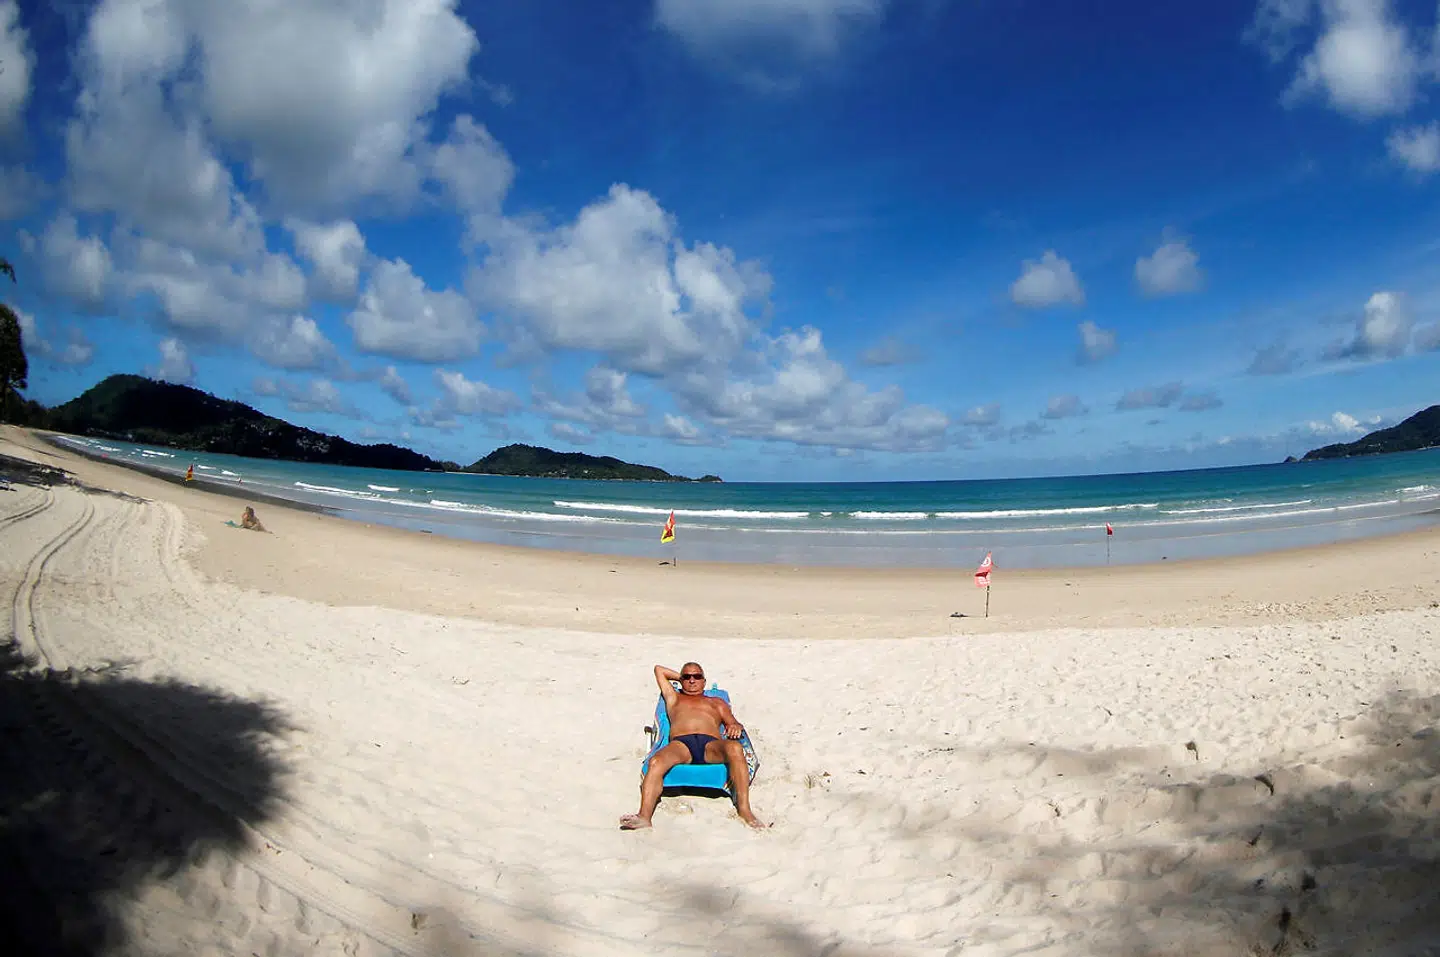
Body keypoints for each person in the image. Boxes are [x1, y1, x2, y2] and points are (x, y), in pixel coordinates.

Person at [620, 663, 767, 830]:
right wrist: (681, 680)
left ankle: (745, 810)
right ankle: (644, 816)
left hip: (710, 745)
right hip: (681, 745)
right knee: (655, 762)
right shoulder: (674, 698)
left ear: (704, 681)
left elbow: (734, 723)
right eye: (687, 677)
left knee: (735, 748)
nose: (692, 680)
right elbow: (659, 670)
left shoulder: (717, 703)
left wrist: (735, 726)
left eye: (697, 677)